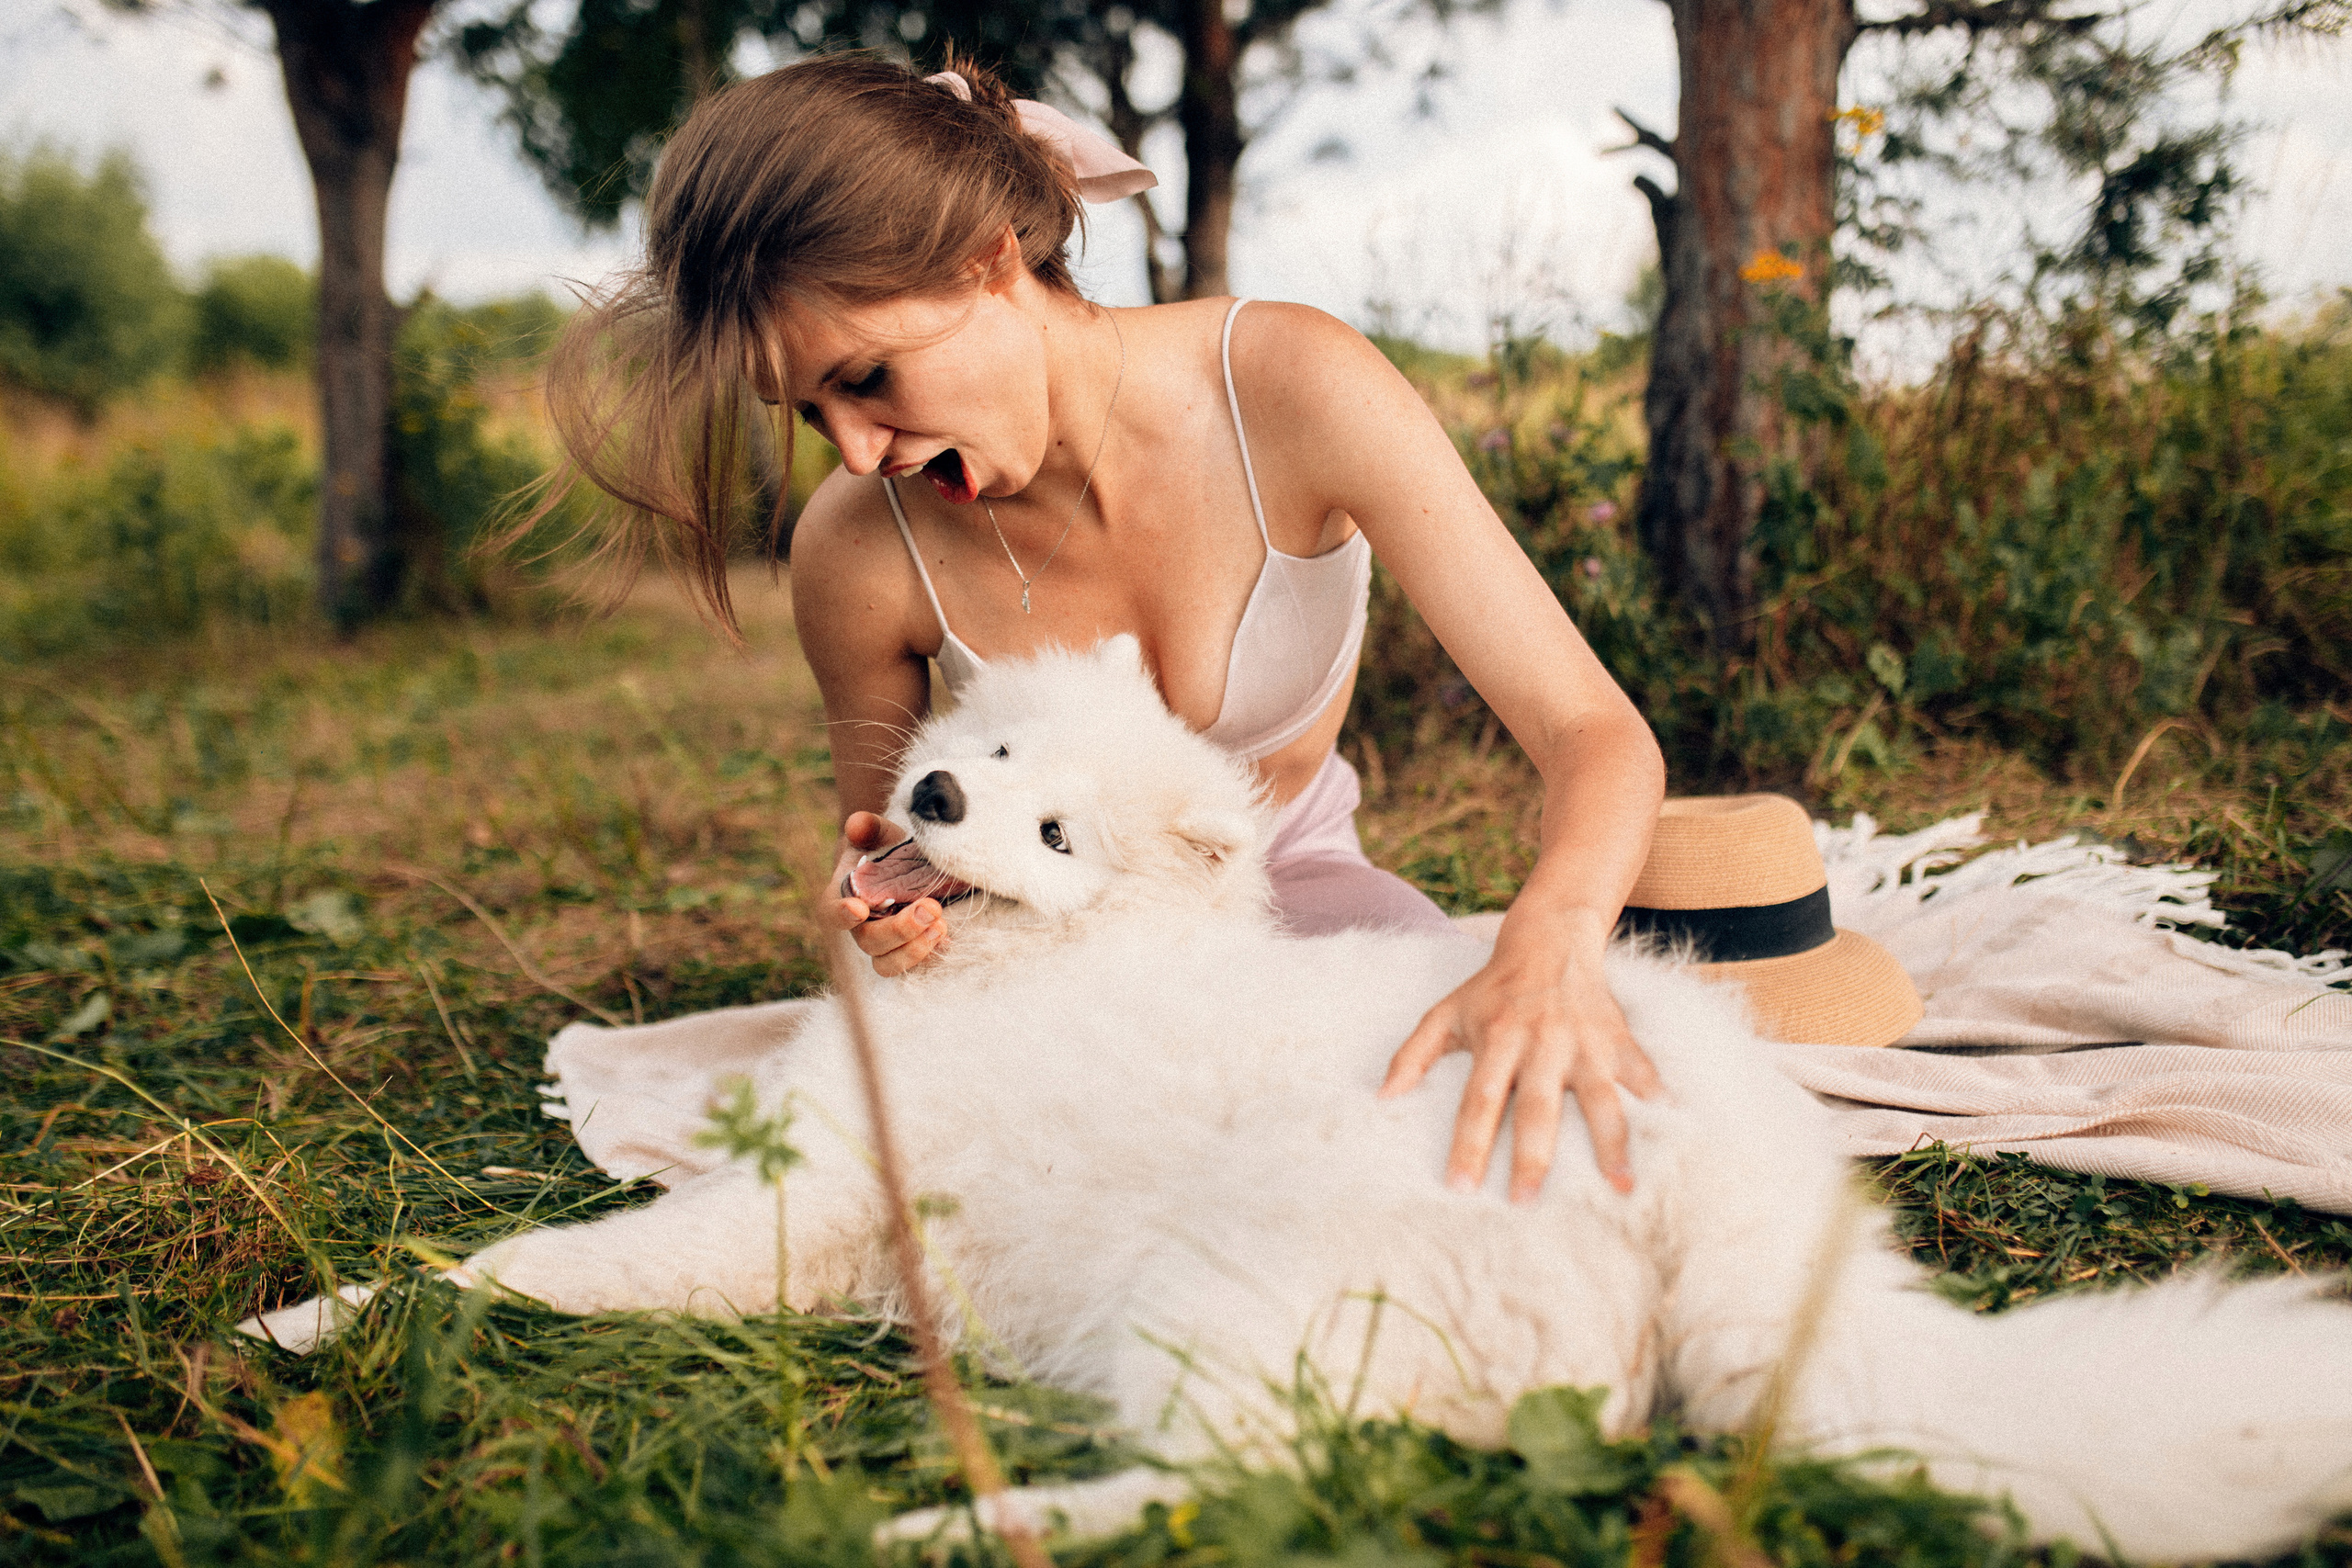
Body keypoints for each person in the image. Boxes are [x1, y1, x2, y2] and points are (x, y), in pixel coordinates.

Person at [537, 51, 1668, 1201]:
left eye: (866, 378)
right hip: (1046, 958)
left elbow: (1592, 733)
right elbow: (879, 857)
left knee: (1468, 1117)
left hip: (1301, 900)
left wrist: (1553, 938)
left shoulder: (1293, 386)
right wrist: (885, 917)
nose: (861, 452)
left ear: (989, 258)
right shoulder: (856, 547)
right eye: (811, 414)